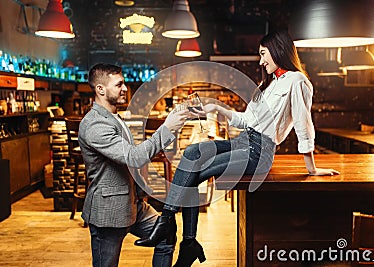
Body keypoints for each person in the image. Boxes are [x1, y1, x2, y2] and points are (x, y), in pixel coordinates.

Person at [134, 29, 340, 266]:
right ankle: (185, 238)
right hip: (244, 140)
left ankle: (171, 227)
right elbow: (246, 120)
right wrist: (215, 108)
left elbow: (304, 124)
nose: (261, 61)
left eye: (263, 54)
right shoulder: (270, 83)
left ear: (277, 51)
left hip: (259, 152)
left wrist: (311, 168)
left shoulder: (298, 81)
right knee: (192, 153)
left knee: (195, 173)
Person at [78, 63, 189, 267]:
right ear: (100, 89)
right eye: (118, 84)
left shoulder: (114, 117)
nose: (125, 88)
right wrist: (167, 128)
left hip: (133, 205)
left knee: (166, 234)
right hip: (108, 211)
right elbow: (135, 157)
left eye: (124, 83)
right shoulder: (95, 124)